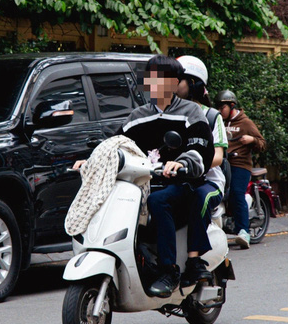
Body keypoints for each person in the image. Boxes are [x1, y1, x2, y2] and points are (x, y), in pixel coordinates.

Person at [72, 55, 214, 297]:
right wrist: (91, 161)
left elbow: (201, 148)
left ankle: (169, 270)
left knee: (158, 201)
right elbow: (115, 144)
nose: (153, 82)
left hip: (181, 185)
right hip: (142, 185)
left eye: (159, 78)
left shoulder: (191, 112)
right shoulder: (137, 116)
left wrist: (180, 164)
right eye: (150, 77)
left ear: (173, 82)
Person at [174, 55, 228, 288]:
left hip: (208, 182)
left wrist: (191, 164)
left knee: (199, 198)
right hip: (178, 178)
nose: (171, 84)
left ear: (193, 83)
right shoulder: (172, 112)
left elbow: (218, 157)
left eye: (178, 80)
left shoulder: (212, 116)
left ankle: (195, 261)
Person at [215, 90, 266, 249]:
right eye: (217, 107)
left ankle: (243, 231)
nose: (219, 111)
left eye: (221, 107)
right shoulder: (219, 122)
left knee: (237, 193)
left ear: (231, 106)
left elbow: (262, 144)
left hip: (240, 164)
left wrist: (252, 140)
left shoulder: (245, 123)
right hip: (223, 164)